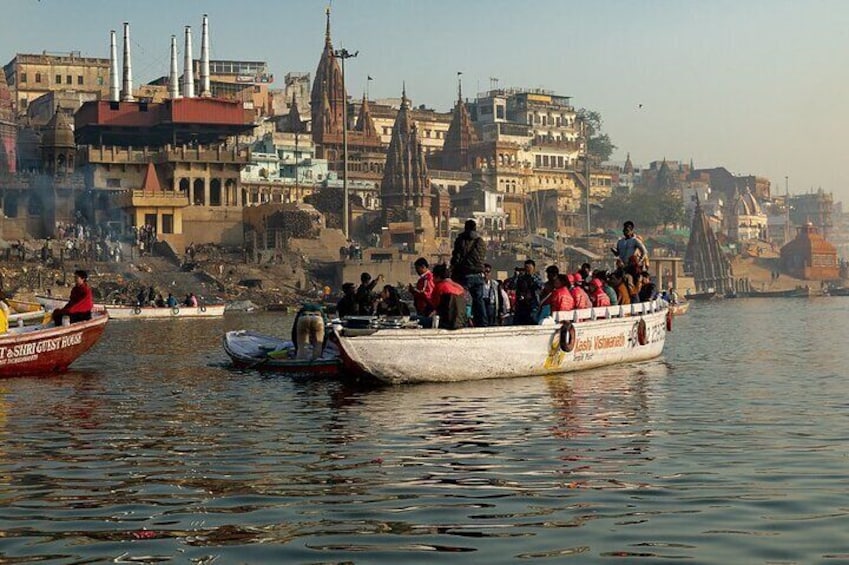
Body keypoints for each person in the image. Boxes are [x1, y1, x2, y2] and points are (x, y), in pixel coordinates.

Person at [450, 219, 488, 327]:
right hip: (478, 275)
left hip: (464, 275)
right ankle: (483, 323)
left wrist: (454, 267)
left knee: (462, 300)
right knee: (479, 301)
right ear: (475, 228)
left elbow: (456, 257)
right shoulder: (480, 241)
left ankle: (462, 322)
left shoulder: (461, 240)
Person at [428, 264, 467, 329]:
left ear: (438, 277)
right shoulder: (460, 288)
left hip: (445, 322)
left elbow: (434, 304)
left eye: (433, 276)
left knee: (418, 319)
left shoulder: (440, 287)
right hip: (461, 323)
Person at [513, 259, 543, 325]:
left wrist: (532, 277)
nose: (528, 270)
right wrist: (516, 276)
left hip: (533, 304)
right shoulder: (521, 278)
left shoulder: (537, 277)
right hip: (522, 305)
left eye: (529, 268)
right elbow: (512, 286)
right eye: (526, 268)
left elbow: (541, 286)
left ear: (533, 268)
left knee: (532, 321)